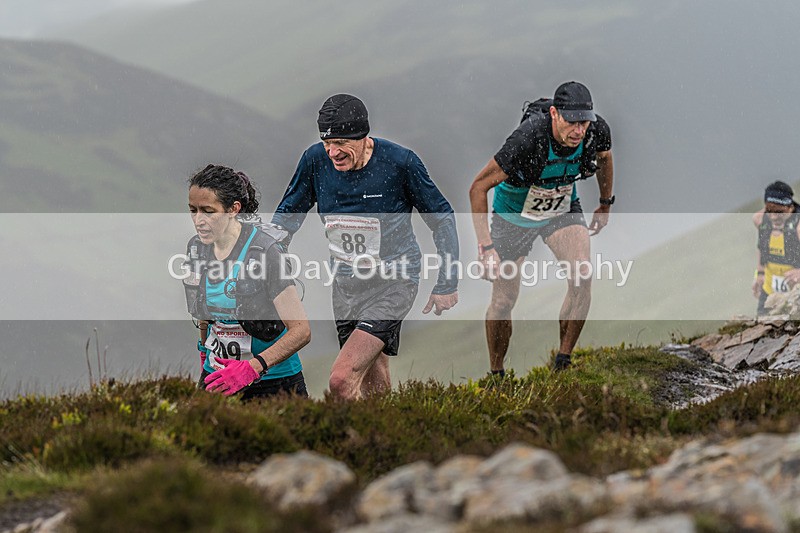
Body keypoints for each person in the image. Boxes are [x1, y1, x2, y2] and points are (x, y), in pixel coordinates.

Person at [271, 94, 459, 400]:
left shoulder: (400, 163)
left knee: (342, 380)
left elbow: (442, 219)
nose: (332, 152)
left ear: (362, 137)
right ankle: (384, 426)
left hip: (394, 282)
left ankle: (349, 430)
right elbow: (287, 216)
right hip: (346, 286)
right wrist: (266, 257)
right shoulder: (314, 160)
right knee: (371, 375)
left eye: (341, 143)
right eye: (326, 142)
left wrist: (447, 282)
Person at [468, 81, 614, 373]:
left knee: (582, 275)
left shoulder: (596, 130)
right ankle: (497, 374)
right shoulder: (528, 138)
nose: (579, 131)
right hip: (514, 215)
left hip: (560, 207)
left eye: (584, 123)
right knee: (503, 301)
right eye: (571, 122)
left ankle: (563, 361)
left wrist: (605, 203)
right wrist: (486, 247)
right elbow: (478, 187)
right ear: (554, 114)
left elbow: (605, 158)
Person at [182, 164, 311, 399]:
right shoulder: (197, 248)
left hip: (274, 381)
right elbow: (205, 311)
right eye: (193, 210)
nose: (198, 220)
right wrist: (204, 354)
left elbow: (301, 331)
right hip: (217, 375)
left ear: (234, 209)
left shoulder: (265, 252)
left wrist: (253, 368)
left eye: (208, 211)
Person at [752, 180, 800, 315]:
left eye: (779, 212)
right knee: (762, 323)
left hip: (796, 292)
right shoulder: (760, 219)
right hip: (770, 290)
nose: (773, 217)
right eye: (769, 211)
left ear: (790, 208)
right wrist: (759, 274)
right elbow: (762, 247)